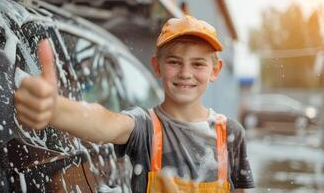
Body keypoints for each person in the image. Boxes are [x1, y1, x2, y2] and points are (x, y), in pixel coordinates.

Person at [15, 15, 254, 193]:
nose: (185, 73)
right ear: (157, 66)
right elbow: (105, 123)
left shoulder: (231, 134)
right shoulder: (145, 127)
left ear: (215, 70)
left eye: (198, 64)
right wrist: (56, 110)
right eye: (174, 62)